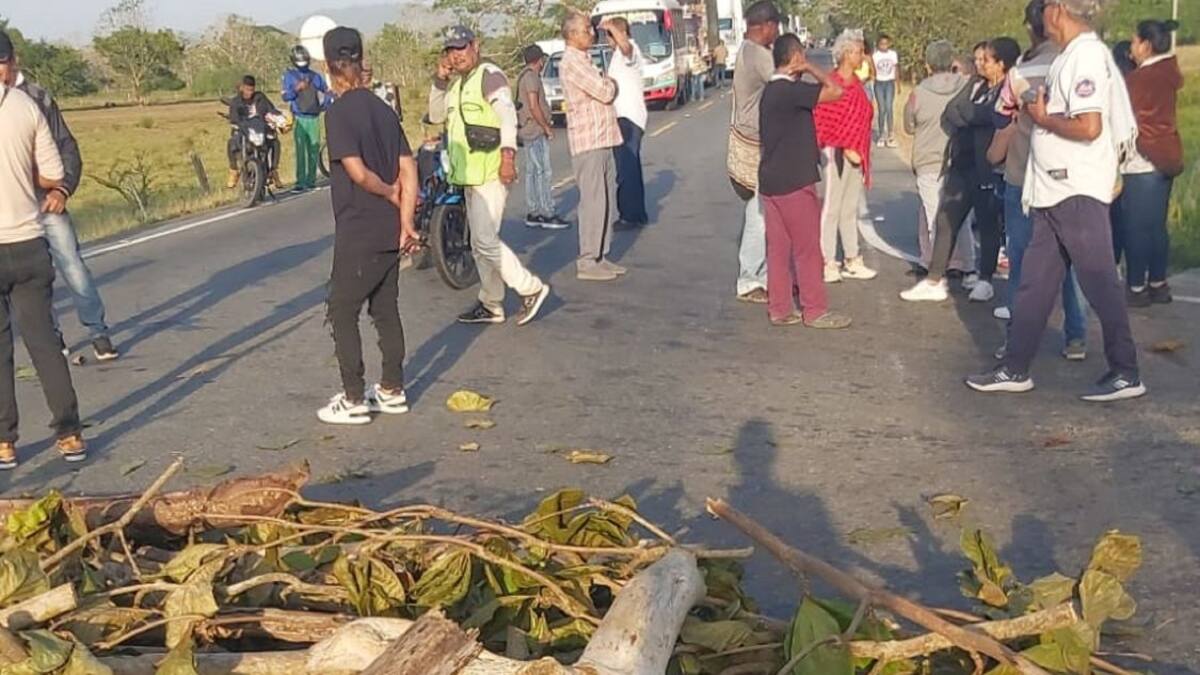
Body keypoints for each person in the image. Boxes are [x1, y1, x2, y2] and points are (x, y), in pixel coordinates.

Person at [967, 0, 1146, 402]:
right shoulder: (1072, 55)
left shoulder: (1084, 56)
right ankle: (1015, 367)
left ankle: (1126, 370)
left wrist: (1041, 116)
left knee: (1099, 281)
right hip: (1053, 189)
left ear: (1058, 9)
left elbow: (1088, 126)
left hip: (1075, 189)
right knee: (1034, 283)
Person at [317, 27, 420, 425]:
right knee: (385, 308)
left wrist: (389, 192)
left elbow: (358, 174)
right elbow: (408, 166)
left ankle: (354, 396)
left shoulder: (338, 112)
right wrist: (406, 219)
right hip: (389, 230)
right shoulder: (383, 109)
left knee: (341, 310)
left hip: (359, 227)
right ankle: (393, 389)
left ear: (329, 67)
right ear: (360, 61)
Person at [0, 34, 119, 363]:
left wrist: (62, 189)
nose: (1, 70)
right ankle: (53, 338)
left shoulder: (37, 98)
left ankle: (98, 332)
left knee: (72, 266)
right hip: (10, 212)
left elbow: (67, 147)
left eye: (3, 61)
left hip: (45, 203)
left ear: (14, 60)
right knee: (34, 280)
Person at [0, 32, 88, 468]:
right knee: (43, 342)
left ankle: (5, 441)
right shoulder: (25, 106)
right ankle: (69, 433)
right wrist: (50, 189)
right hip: (28, 242)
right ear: (9, 62)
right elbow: (55, 173)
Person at [986, 0, 1087, 362]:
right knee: (1067, 260)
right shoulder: (1077, 63)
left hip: (1023, 175)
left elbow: (1002, 118)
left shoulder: (1020, 72)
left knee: (1021, 260)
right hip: (1069, 178)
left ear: (1031, 28)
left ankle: (1017, 341)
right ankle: (1075, 335)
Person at [430, 26, 551, 326]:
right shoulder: (457, 86)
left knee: (484, 240)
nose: (456, 56)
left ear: (475, 46)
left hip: (491, 173)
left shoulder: (489, 75)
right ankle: (491, 302)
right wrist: (439, 80)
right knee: (478, 244)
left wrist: (508, 157)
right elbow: (434, 115)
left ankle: (531, 288)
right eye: (451, 51)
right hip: (468, 177)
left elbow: (508, 116)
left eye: (461, 48)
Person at [901, 38, 1020, 303]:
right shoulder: (974, 83)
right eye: (978, 59)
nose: (979, 64)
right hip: (960, 162)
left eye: (985, 60)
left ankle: (985, 278)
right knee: (946, 218)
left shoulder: (1007, 88)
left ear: (1000, 64)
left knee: (988, 223)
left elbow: (992, 116)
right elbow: (952, 110)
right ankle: (934, 279)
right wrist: (975, 115)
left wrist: (974, 115)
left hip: (987, 166)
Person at [759, 33, 851, 329]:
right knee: (808, 248)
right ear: (795, 57)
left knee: (778, 250)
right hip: (794, 179)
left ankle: (780, 308)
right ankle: (815, 310)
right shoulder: (789, 91)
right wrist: (811, 68)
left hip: (772, 180)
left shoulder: (771, 91)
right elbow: (836, 91)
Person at [1115, 18, 1184, 307]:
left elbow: (1123, 118)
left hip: (1142, 160)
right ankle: (1158, 283)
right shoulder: (1167, 73)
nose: (1131, 47)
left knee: (1136, 228)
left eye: (1134, 41)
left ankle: (1136, 287)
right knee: (1156, 227)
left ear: (1146, 44)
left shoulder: (1141, 79)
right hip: (1166, 156)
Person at [903, 39, 977, 279]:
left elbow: (908, 126)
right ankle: (968, 266)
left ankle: (938, 271)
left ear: (928, 65)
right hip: (959, 158)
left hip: (928, 160)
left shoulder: (919, 93)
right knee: (960, 217)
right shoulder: (966, 85)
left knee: (936, 217)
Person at [560, 12, 626, 282]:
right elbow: (605, 91)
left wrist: (609, 84)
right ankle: (588, 259)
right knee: (594, 202)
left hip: (603, 137)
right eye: (586, 30)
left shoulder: (585, 59)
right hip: (588, 141)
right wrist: (610, 84)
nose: (591, 33)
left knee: (608, 199)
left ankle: (601, 254)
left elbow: (605, 88)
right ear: (572, 35)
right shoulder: (572, 63)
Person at [729, 0, 783, 304]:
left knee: (759, 210)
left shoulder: (746, 50)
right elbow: (784, 82)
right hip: (755, 142)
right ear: (767, 25)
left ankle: (758, 274)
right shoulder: (758, 54)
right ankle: (750, 279)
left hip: (749, 137)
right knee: (758, 213)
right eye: (775, 27)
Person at [813, 29, 877, 283]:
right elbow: (822, 121)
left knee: (850, 207)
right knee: (832, 207)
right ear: (847, 53)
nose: (862, 56)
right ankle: (828, 260)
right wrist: (842, 145)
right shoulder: (831, 83)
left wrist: (857, 148)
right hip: (834, 153)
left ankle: (852, 257)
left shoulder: (858, 85)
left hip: (857, 153)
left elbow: (863, 117)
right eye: (859, 51)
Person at [515, 45, 569, 230]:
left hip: (528, 130)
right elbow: (533, 105)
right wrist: (546, 127)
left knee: (532, 172)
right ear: (539, 60)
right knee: (543, 172)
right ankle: (547, 212)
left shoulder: (524, 75)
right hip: (535, 130)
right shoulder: (531, 78)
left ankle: (534, 211)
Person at [605, 17, 650, 229]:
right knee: (629, 167)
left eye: (609, 36)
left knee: (626, 168)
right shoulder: (616, 56)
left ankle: (630, 216)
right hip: (623, 116)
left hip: (628, 118)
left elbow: (625, 47)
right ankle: (635, 213)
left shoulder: (629, 51)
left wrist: (612, 27)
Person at [282, 45, 330, 193]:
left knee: (313, 149)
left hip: (313, 117)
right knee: (301, 150)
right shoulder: (290, 77)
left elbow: (327, 91)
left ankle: (310, 181)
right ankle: (301, 181)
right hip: (301, 118)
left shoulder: (315, 76)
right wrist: (296, 88)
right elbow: (286, 96)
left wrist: (325, 105)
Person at [226, 75, 283, 190]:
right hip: (244, 131)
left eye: (251, 90)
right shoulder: (236, 101)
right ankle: (233, 170)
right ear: (242, 88)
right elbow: (234, 117)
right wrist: (235, 123)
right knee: (231, 142)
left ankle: (274, 171)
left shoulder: (260, 97)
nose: (249, 93)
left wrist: (280, 117)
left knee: (275, 142)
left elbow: (271, 109)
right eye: (247, 89)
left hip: (261, 129)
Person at [872, 34, 899, 148]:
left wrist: (898, 83)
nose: (884, 46)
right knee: (882, 109)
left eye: (886, 44)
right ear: (878, 45)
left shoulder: (893, 54)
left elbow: (896, 68)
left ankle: (891, 135)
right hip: (879, 83)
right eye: (882, 44)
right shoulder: (875, 56)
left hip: (889, 82)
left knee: (889, 107)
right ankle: (881, 134)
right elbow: (872, 70)